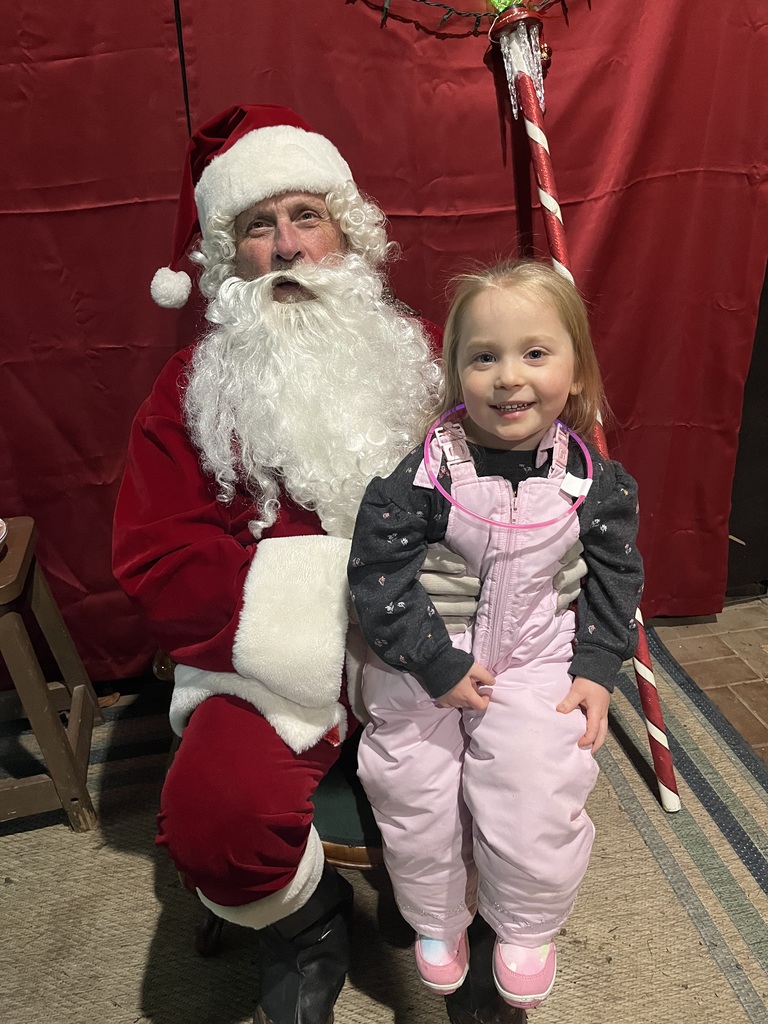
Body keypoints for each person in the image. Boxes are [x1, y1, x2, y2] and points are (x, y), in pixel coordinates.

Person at [113, 105, 584, 1024]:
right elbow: (159, 560)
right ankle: (310, 924)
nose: (288, 246)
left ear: (346, 232)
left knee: (522, 763)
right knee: (215, 819)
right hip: (285, 666)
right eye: (259, 225)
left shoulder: (430, 352)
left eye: (307, 216)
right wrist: (338, 588)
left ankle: (480, 926)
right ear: (229, 256)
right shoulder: (189, 394)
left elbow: (529, 476)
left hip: (449, 635)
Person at [348, 260, 644, 1016]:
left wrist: (596, 668)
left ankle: (524, 926)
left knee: (537, 782)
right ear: (456, 373)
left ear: (576, 372)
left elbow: (616, 579)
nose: (509, 377)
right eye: (484, 357)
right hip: (423, 661)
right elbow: (377, 579)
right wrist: (435, 663)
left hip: (535, 660)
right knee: (412, 789)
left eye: (535, 353)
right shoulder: (419, 477)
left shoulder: (593, 482)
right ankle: (437, 920)